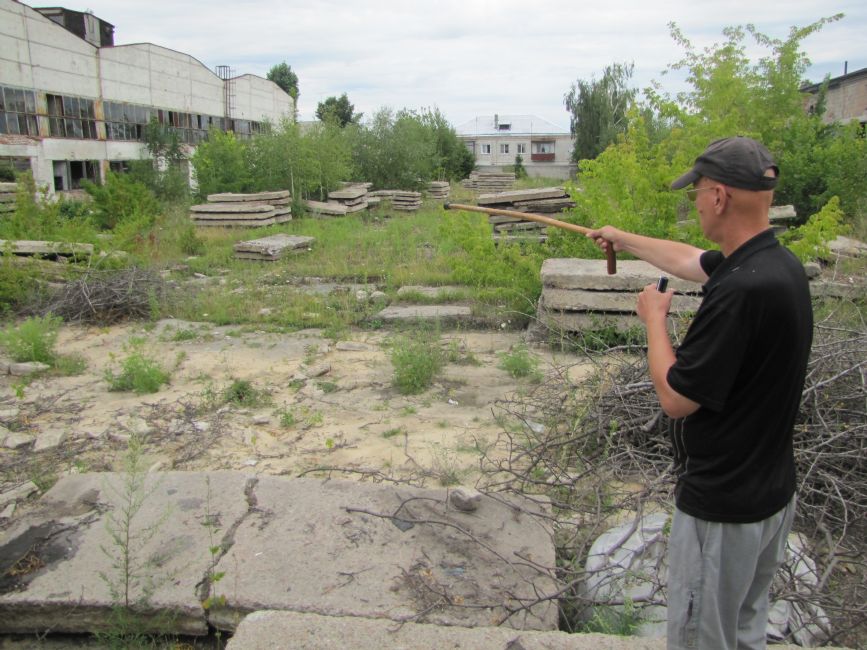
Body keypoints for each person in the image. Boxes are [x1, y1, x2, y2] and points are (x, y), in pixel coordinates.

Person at [587, 136, 813, 650]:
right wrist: (622, 237)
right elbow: (691, 259)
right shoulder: (777, 267)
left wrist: (654, 321)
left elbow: (676, 397)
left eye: (697, 193)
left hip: (723, 510)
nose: (695, 203)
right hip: (771, 496)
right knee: (743, 631)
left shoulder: (739, 292)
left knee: (702, 639)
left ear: (718, 197)